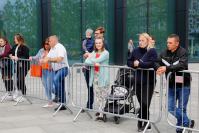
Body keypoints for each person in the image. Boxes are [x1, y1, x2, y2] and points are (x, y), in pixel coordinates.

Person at [155, 34, 195, 133]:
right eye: (167, 42)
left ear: (177, 43)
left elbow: (182, 65)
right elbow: (156, 61)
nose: (167, 44)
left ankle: (180, 128)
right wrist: (158, 68)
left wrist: (166, 68)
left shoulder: (183, 52)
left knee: (182, 108)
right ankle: (188, 122)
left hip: (183, 85)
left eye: (170, 43)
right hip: (171, 84)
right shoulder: (164, 52)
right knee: (170, 108)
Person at [127, 33, 157, 132]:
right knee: (142, 103)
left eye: (142, 40)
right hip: (138, 81)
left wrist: (140, 64)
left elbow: (152, 63)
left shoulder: (152, 51)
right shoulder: (135, 51)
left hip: (149, 81)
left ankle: (141, 121)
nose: (140, 42)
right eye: (139, 40)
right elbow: (129, 62)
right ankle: (146, 123)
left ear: (148, 41)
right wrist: (134, 65)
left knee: (145, 103)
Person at [41, 35, 69, 111]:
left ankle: (59, 97)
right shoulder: (52, 49)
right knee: (61, 85)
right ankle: (62, 103)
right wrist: (43, 60)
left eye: (49, 41)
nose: (48, 43)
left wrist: (49, 59)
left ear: (54, 40)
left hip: (63, 68)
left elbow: (60, 59)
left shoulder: (60, 47)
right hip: (57, 70)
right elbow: (47, 57)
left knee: (55, 80)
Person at [85, 37, 109, 121]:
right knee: (97, 95)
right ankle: (100, 112)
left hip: (103, 76)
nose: (98, 44)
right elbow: (86, 62)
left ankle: (102, 113)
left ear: (102, 43)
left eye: (100, 43)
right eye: (96, 43)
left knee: (103, 95)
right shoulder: (94, 52)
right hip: (95, 76)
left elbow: (98, 59)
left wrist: (91, 59)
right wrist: (94, 61)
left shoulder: (106, 53)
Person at [29, 38, 54, 108]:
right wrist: (32, 57)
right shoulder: (41, 50)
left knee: (50, 86)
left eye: (47, 44)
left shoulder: (53, 51)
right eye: (45, 44)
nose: (46, 45)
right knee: (45, 85)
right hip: (43, 70)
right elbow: (37, 57)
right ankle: (50, 102)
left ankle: (59, 94)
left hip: (50, 70)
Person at [9, 33, 30, 102]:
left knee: (21, 79)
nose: (14, 40)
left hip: (23, 66)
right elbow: (10, 52)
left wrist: (17, 58)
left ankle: (23, 94)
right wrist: (10, 56)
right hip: (17, 66)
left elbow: (26, 56)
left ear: (19, 39)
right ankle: (18, 93)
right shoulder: (15, 46)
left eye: (15, 38)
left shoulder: (25, 47)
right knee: (18, 79)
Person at [82, 28, 95, 110]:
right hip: (87, 66)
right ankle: (89, 104)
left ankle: (101, 108)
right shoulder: (84, 41)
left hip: (94, 67)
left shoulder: (94, 42)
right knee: (89, 86)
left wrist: (88, 54)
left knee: (97, 87)